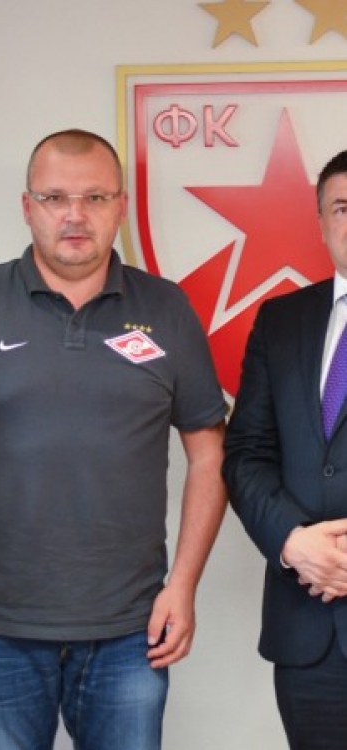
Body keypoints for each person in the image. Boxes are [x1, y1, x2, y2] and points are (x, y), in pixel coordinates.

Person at [0, 128, 227, 750]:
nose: (75, 215)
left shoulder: (168, 308)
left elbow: (210, 452)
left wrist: (182, 585)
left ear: (121, 207)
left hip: (132, 630)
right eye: (54, 198)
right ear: (27, 207)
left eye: (95, 198)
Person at [223, 149, 347, 750]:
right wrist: (292, 542)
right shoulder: (281, 320)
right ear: (320, 222)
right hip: (307, 632)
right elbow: (245, 452)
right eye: (342, 207)